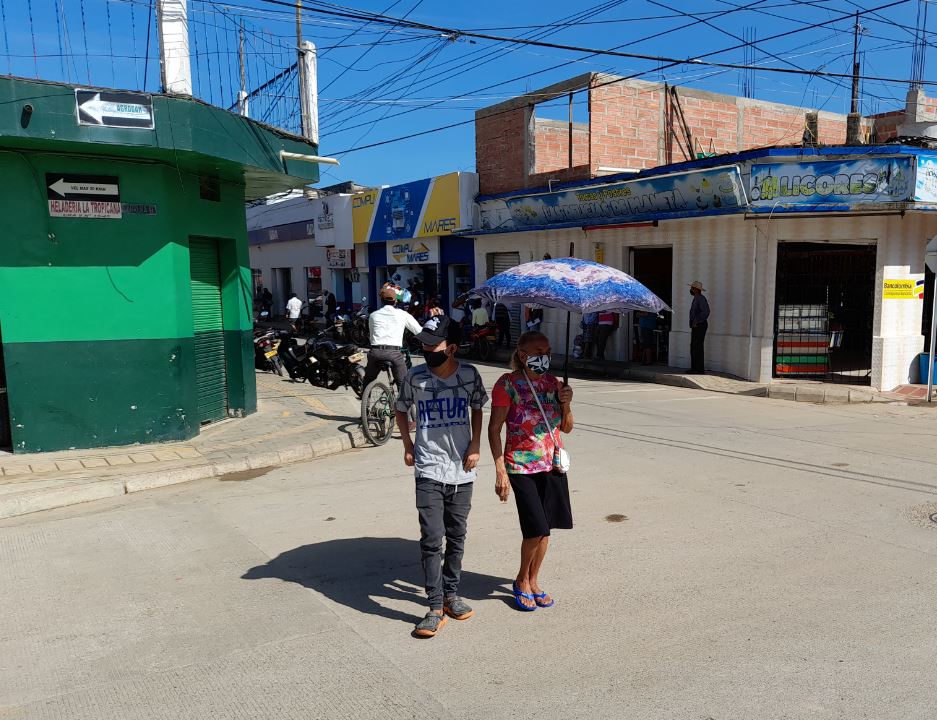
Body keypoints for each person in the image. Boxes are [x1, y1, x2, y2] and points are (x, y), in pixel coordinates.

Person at [395, 315, 489, 638]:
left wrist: (476, 444)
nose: (426, 348)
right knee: (432, 537)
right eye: (423, 342)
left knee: (457, 534)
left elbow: (478, 408)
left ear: (451, 348)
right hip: (428, 468)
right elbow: (401, 408)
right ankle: (434, 605)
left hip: (462, 470)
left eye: (433, 344)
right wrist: (408, 444)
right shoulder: (414, 378)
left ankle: (451, 595)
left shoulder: (469, 376)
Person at [488, 331, 574, 612]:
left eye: (548, 350)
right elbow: (494, 429)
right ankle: (521, 579)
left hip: (552, 464)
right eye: (539, 350)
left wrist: (566, 402)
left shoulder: (554, 384)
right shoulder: (507, 384)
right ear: (523, 355)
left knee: (547, 530)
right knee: (534, 528)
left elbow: (567, 427)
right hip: (521, 466)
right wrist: (500, 469)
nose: (545, 356)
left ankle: (534, 580)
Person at [363, 285, 422, 392]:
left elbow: (372, 336)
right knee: (402, 384)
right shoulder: (403, 314)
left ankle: (365, 403)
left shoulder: (373, 315)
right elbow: (419, 331)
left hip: (375, 352)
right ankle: (403, 406)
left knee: (368, 379)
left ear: (381, 300)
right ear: (395, 301)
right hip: (394, 353)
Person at [689, 280, 710, 374]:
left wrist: (696, 320)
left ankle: (698, 369)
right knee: (694, 346)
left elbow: (706, 312)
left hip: (700, 325)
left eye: (692, 288)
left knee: (697, 347)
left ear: (696, 289)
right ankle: (695, 368)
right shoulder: (696, 298)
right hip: (697, 325)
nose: (691, 289)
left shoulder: (701, 298)